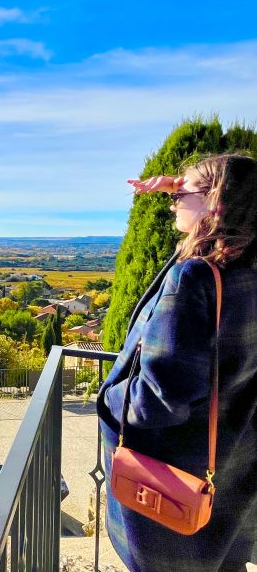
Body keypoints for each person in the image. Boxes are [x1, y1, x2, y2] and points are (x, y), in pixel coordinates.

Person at [97, 153, 257, 572]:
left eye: (180, 193)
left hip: (175, 485)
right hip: (233, 473)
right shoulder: (247, 270)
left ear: (216, 204)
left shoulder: (195, 280)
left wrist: (109, 396)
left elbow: (158, 400)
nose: (171, 201)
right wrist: (182, 186)